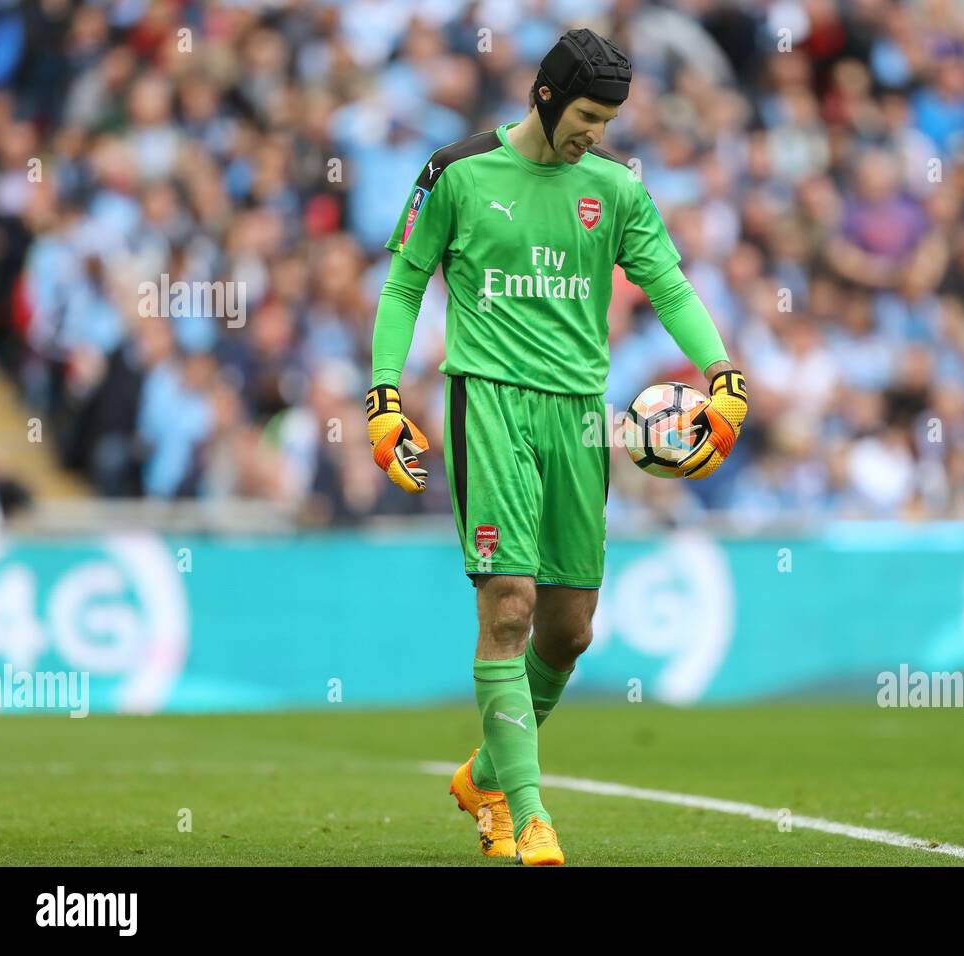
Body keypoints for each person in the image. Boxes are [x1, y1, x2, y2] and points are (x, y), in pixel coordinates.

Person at [364, 29, 747, 865]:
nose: (595, 134)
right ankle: (525, 814)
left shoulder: (614, 189)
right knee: (509, 606)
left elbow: (668, 283)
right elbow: (403, 283)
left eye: (608, 120)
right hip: (489, 404)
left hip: (581, 417)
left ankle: (484, 770)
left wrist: (721, 371)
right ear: (545, 96)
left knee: (568, 630)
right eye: (585, 115)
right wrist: (385, 394)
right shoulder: (455, 171)